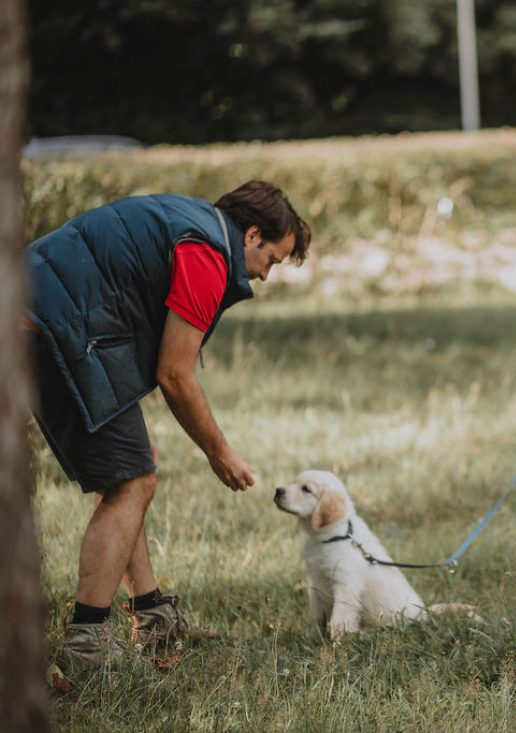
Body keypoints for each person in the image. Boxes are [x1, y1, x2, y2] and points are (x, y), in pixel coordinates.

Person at [25, 180, 311, 670]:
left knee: (130, 470)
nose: (266, 276)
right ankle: (88, 640)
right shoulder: (207, 255)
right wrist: (221, 452)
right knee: (133, 481)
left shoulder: (193, 223)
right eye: (273, 260)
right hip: (50, 328)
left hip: (45, 315)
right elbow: (175, 375)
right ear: (252, 234)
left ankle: (152, 614)